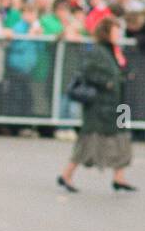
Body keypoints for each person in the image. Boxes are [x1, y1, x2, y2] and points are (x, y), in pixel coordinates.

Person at [58, 17, 136, 193]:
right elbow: (88, 72)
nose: (118, 35)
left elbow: (120, 72)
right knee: (89, 141)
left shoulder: (115, 51)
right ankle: (67, 174)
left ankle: (119, 177)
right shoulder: (98, 51)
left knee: (122, 138)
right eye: (115, 31)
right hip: (101, 104)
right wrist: (106, 82)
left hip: (120, 103)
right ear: (106, 33)